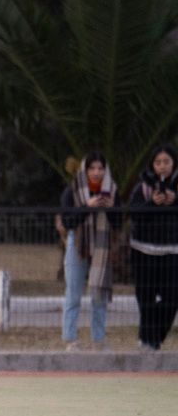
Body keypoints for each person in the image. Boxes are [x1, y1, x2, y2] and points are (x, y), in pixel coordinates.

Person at [56, 152, 120, 351]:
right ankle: (70, 339)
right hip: (77, 245)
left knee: (99, 294)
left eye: (100, 168)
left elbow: (118, 224)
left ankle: (98, 340)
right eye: (92, 168)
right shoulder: (72, 190)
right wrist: (87, 207)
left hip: (102, 246)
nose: (96, 172)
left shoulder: (112, 191)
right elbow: (68, 222)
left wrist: (111, 209)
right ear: (85, 170)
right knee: (73, 293)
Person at [128, 144, 178, 350]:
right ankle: (148, 343)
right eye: (158, 162)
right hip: (143, 251)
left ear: (174, 163)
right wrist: (152, 203)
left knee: (171, 299)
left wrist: (175, 201)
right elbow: (134, 214)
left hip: (173, 251)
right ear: (152, 165)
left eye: (166, 162)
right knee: (145, 297)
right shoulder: (142, 187)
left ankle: (151, 337)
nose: (162, 167)